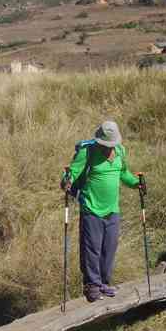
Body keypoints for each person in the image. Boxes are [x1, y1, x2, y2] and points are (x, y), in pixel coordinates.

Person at [61, 121, 145, 303]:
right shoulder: (87, 151)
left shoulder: (121, 151)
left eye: (111, 144)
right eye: (106, 144)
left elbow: (124, 173)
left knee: (109, 248)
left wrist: (136, 183)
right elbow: (72, 173)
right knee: (92, 249)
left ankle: (104, 283)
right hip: (91, 208)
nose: (109, 148)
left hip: (113, 210)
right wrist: (67, 180)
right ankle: (92, 285)